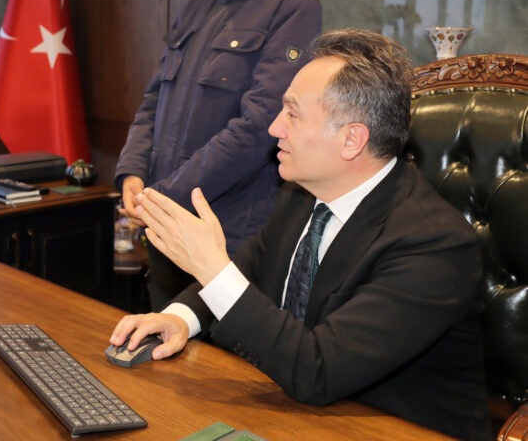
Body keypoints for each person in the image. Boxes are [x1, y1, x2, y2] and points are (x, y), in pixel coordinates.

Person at [110, 29, 492, 439]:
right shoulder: (302, 194)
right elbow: (248, 272)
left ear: (351, 140)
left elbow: (318, 371)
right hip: (293, 412)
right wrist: (180, 318)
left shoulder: (436, 246)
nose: (275, 128)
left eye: (292, 114)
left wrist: (210, 267)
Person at [115, 0, 321, 310]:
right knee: (160, 342)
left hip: (228, 238)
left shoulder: (293, 6)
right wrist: (133, 172)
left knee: (217, 356)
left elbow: (259, 126)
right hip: (166, 225)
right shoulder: (198, 2)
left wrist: (162, 194)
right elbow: (155, 99)